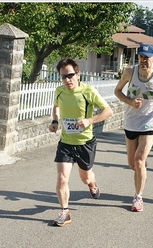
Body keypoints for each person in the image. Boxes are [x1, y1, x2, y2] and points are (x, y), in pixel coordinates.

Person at [49, 58, 113, 226]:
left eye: (70, 75)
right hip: (66, 142)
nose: (67, 80)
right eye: (63, 77)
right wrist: (55, 121)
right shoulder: (59, 91)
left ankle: (92, 184)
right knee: (62, 178)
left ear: (78, 74)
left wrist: (89, 121)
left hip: (85, 142)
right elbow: (56, 107)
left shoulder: (87, 91)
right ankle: (65, 212)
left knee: (85, 177)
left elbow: (108, 111)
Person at [114, 44, 153, 212]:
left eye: (147, 57)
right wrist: (130, 102)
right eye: (141, 56)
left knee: (139, 160)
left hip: (150, 122)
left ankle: (138, 197)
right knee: (133, 164)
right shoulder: (129, 72)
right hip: (131, 122)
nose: (143, 60)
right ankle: (141, 168)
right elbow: (117, 91)